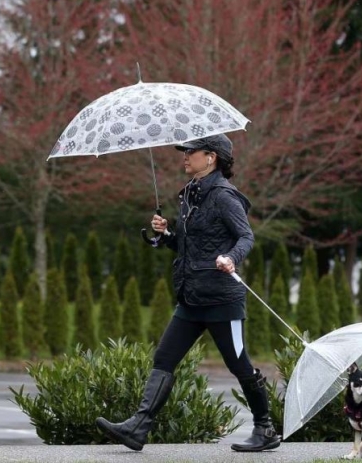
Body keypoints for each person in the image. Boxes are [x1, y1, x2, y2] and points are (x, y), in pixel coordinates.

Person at [95, 133, 281, 453]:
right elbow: (189, 245)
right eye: (185, 152)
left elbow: (245, 237)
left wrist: (230, 257)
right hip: (191, 297)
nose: (184, 156)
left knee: (239, 364)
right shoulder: (190, 196)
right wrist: (165, 235)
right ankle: (139, 427)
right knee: (164, 358)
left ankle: (265, 429)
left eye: (191, 152)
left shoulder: (224, 196)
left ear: (211, 158)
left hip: (223, 300)